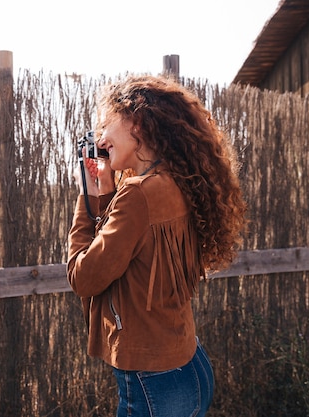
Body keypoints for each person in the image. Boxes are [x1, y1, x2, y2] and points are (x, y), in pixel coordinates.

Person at [67, 75, 246, 417]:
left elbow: (84, 277)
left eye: (106, 124)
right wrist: (105, 187)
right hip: (190, 366)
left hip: (156, 384)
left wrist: (87, 195)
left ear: (137, 123)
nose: (101, 138)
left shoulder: (137, 194)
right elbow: (128, 249)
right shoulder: (176, 183)